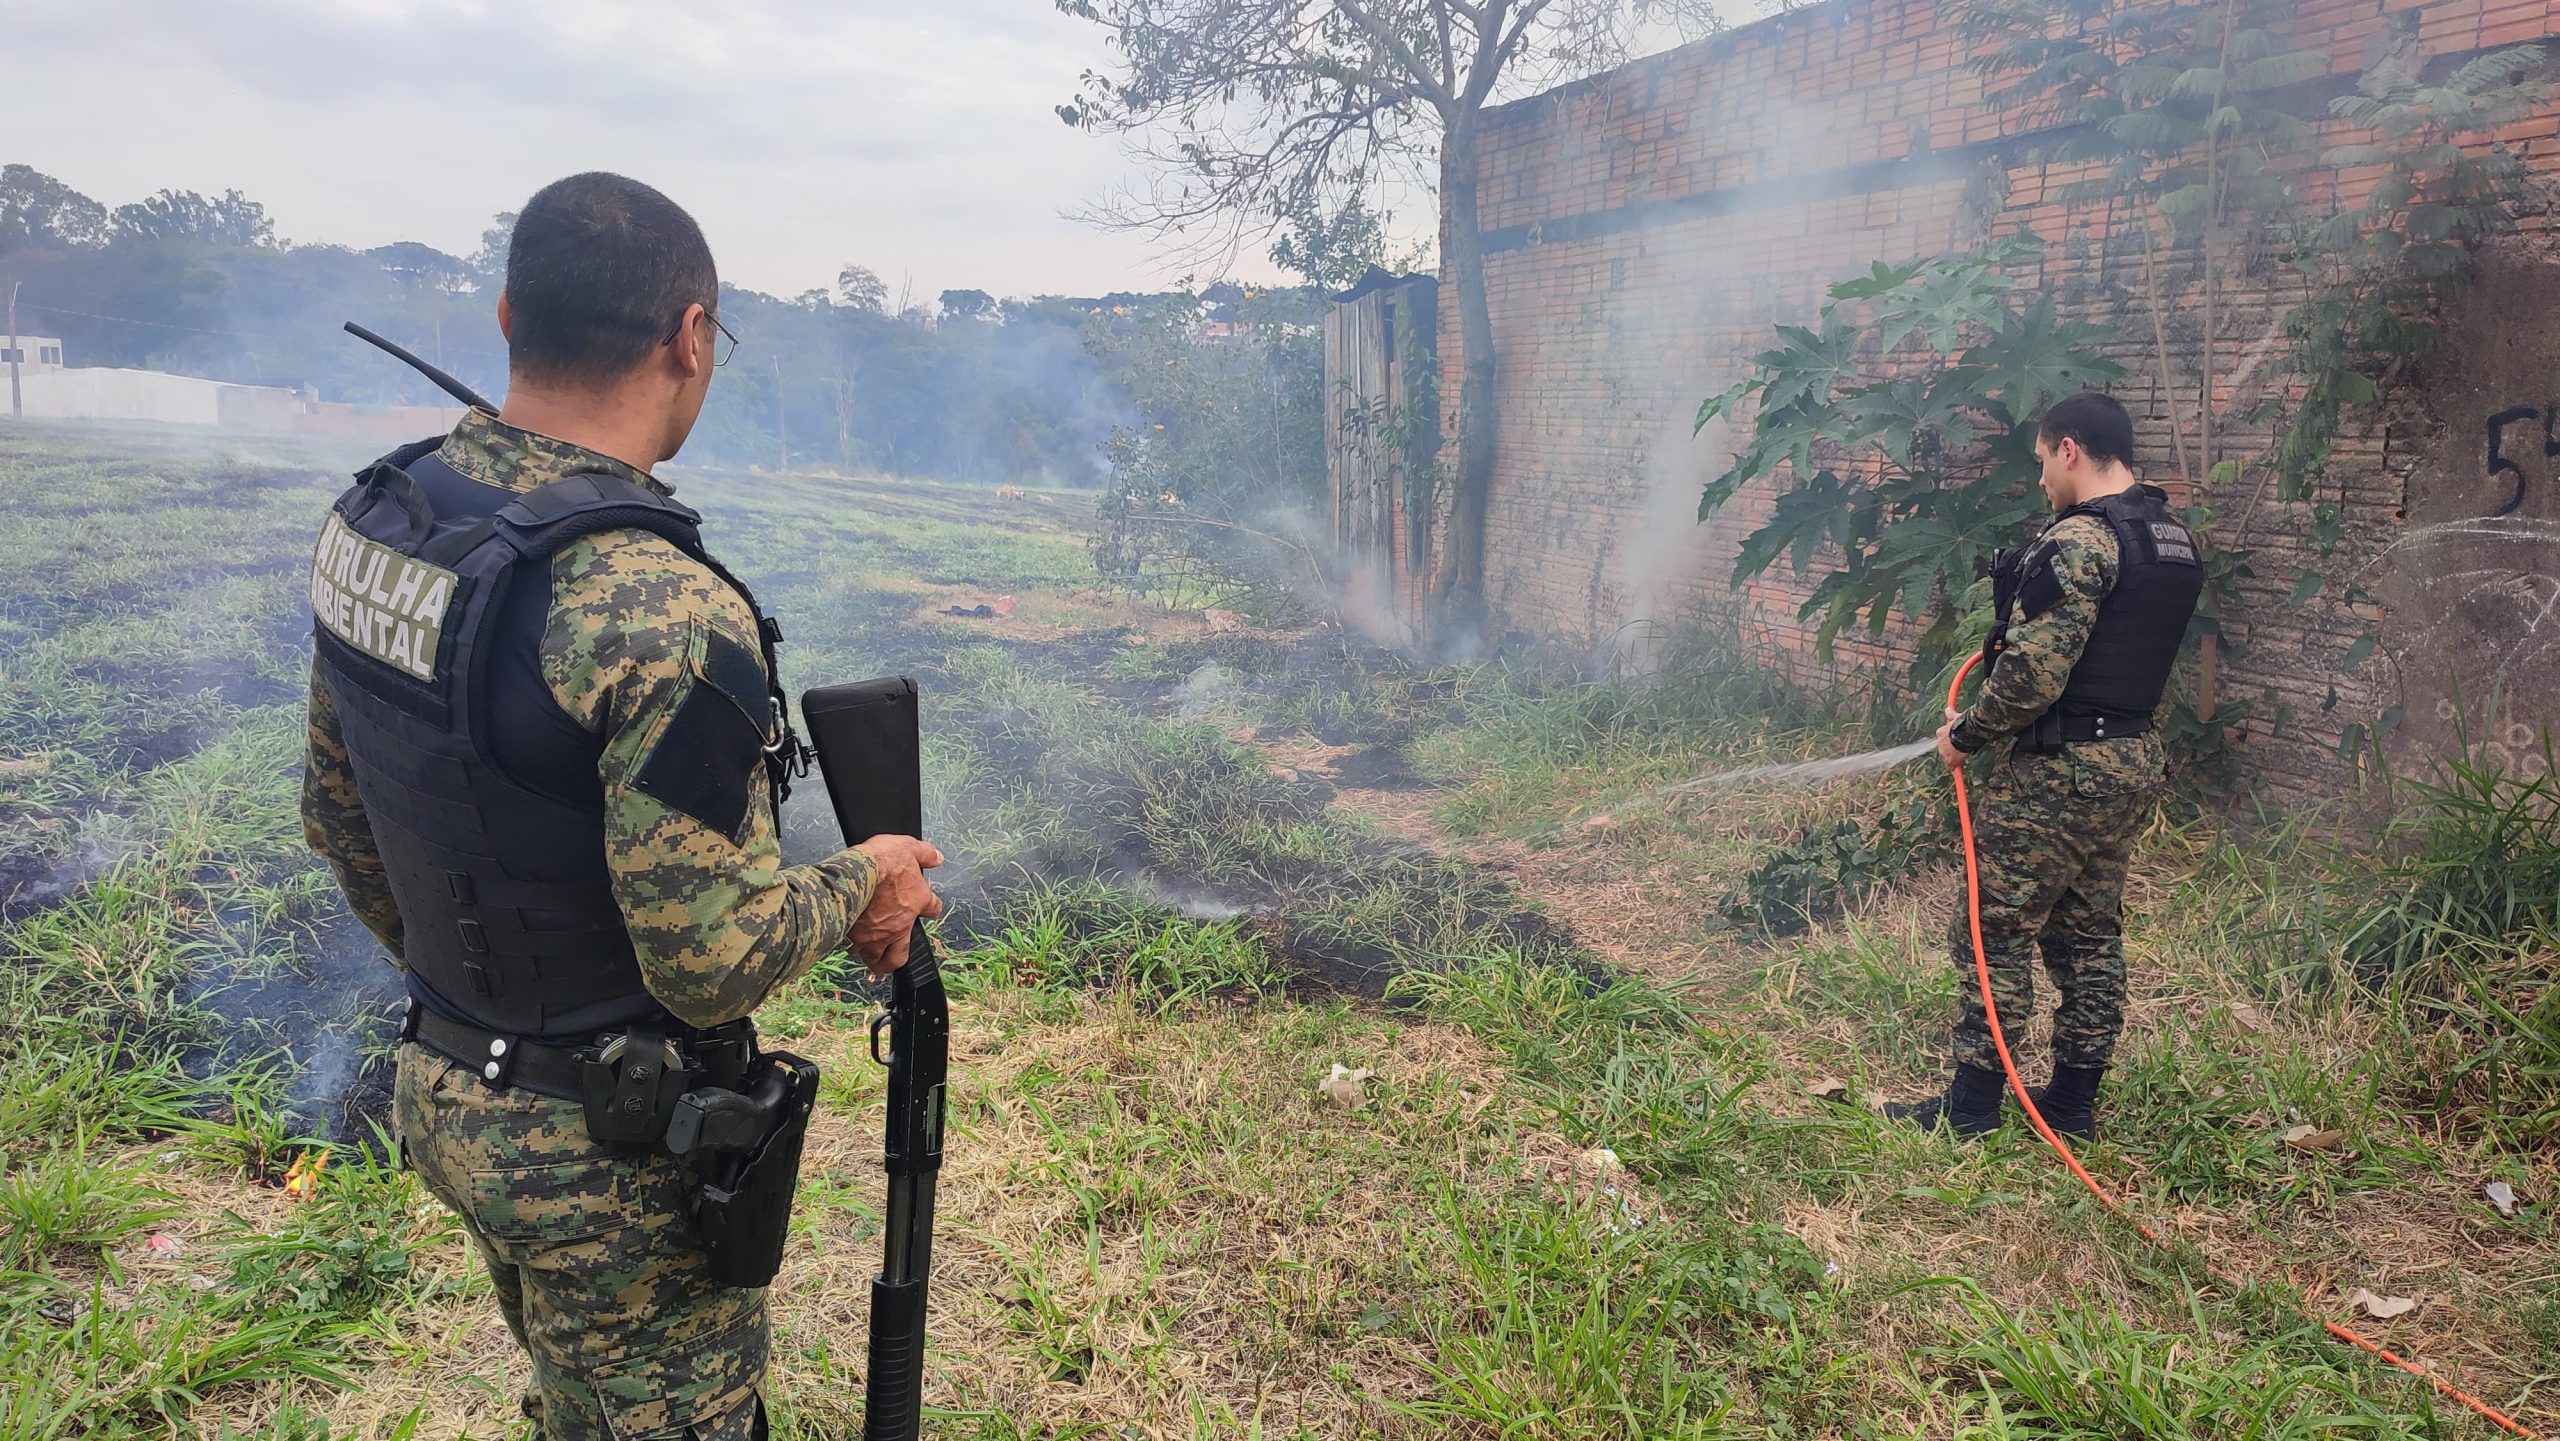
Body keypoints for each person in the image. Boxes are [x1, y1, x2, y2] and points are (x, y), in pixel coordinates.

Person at [301, 172, 943, 1438]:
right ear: (689, 337)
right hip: (612, 1156)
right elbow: (712, 963)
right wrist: (869, 874)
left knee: (577, 1398)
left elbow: (339, 820)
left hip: (447, 1086)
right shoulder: (656, 604)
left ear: (504, 315)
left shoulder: (379, 518)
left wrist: (486, 1011)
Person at [1886, 391, 2203, 1142]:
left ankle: (1970, 1110)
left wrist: (1965, 734)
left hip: (2061, 771)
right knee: (2089, 933)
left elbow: (2032, 675)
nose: (2040, 484)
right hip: (2131, 762)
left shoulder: (2082, 542)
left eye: (2040, 463)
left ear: (2069, 449)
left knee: (1992, 928)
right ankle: (2071, 1105)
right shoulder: (2171, 538)